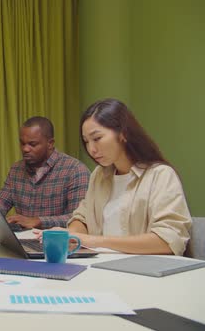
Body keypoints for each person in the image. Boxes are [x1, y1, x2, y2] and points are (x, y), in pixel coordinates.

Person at [63, 98, 191, 255]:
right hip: (102, 267)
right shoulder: (100, 175)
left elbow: (168, 241)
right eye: (86, 141)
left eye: (97, 138)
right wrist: (69, 236)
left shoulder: (160, 175)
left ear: (123, 133)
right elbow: (82, 217)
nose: (91, 149)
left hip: (145, 271)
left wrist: (93, 241)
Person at [0, 117, 90, 229]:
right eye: (22, 143)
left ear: (50, 143)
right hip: (22, 241)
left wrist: (39, 221)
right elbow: (1, 203)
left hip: (56, 243)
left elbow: (79, 218)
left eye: (32, 144)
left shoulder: (75, 170)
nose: (25, 149)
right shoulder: (16, 169)